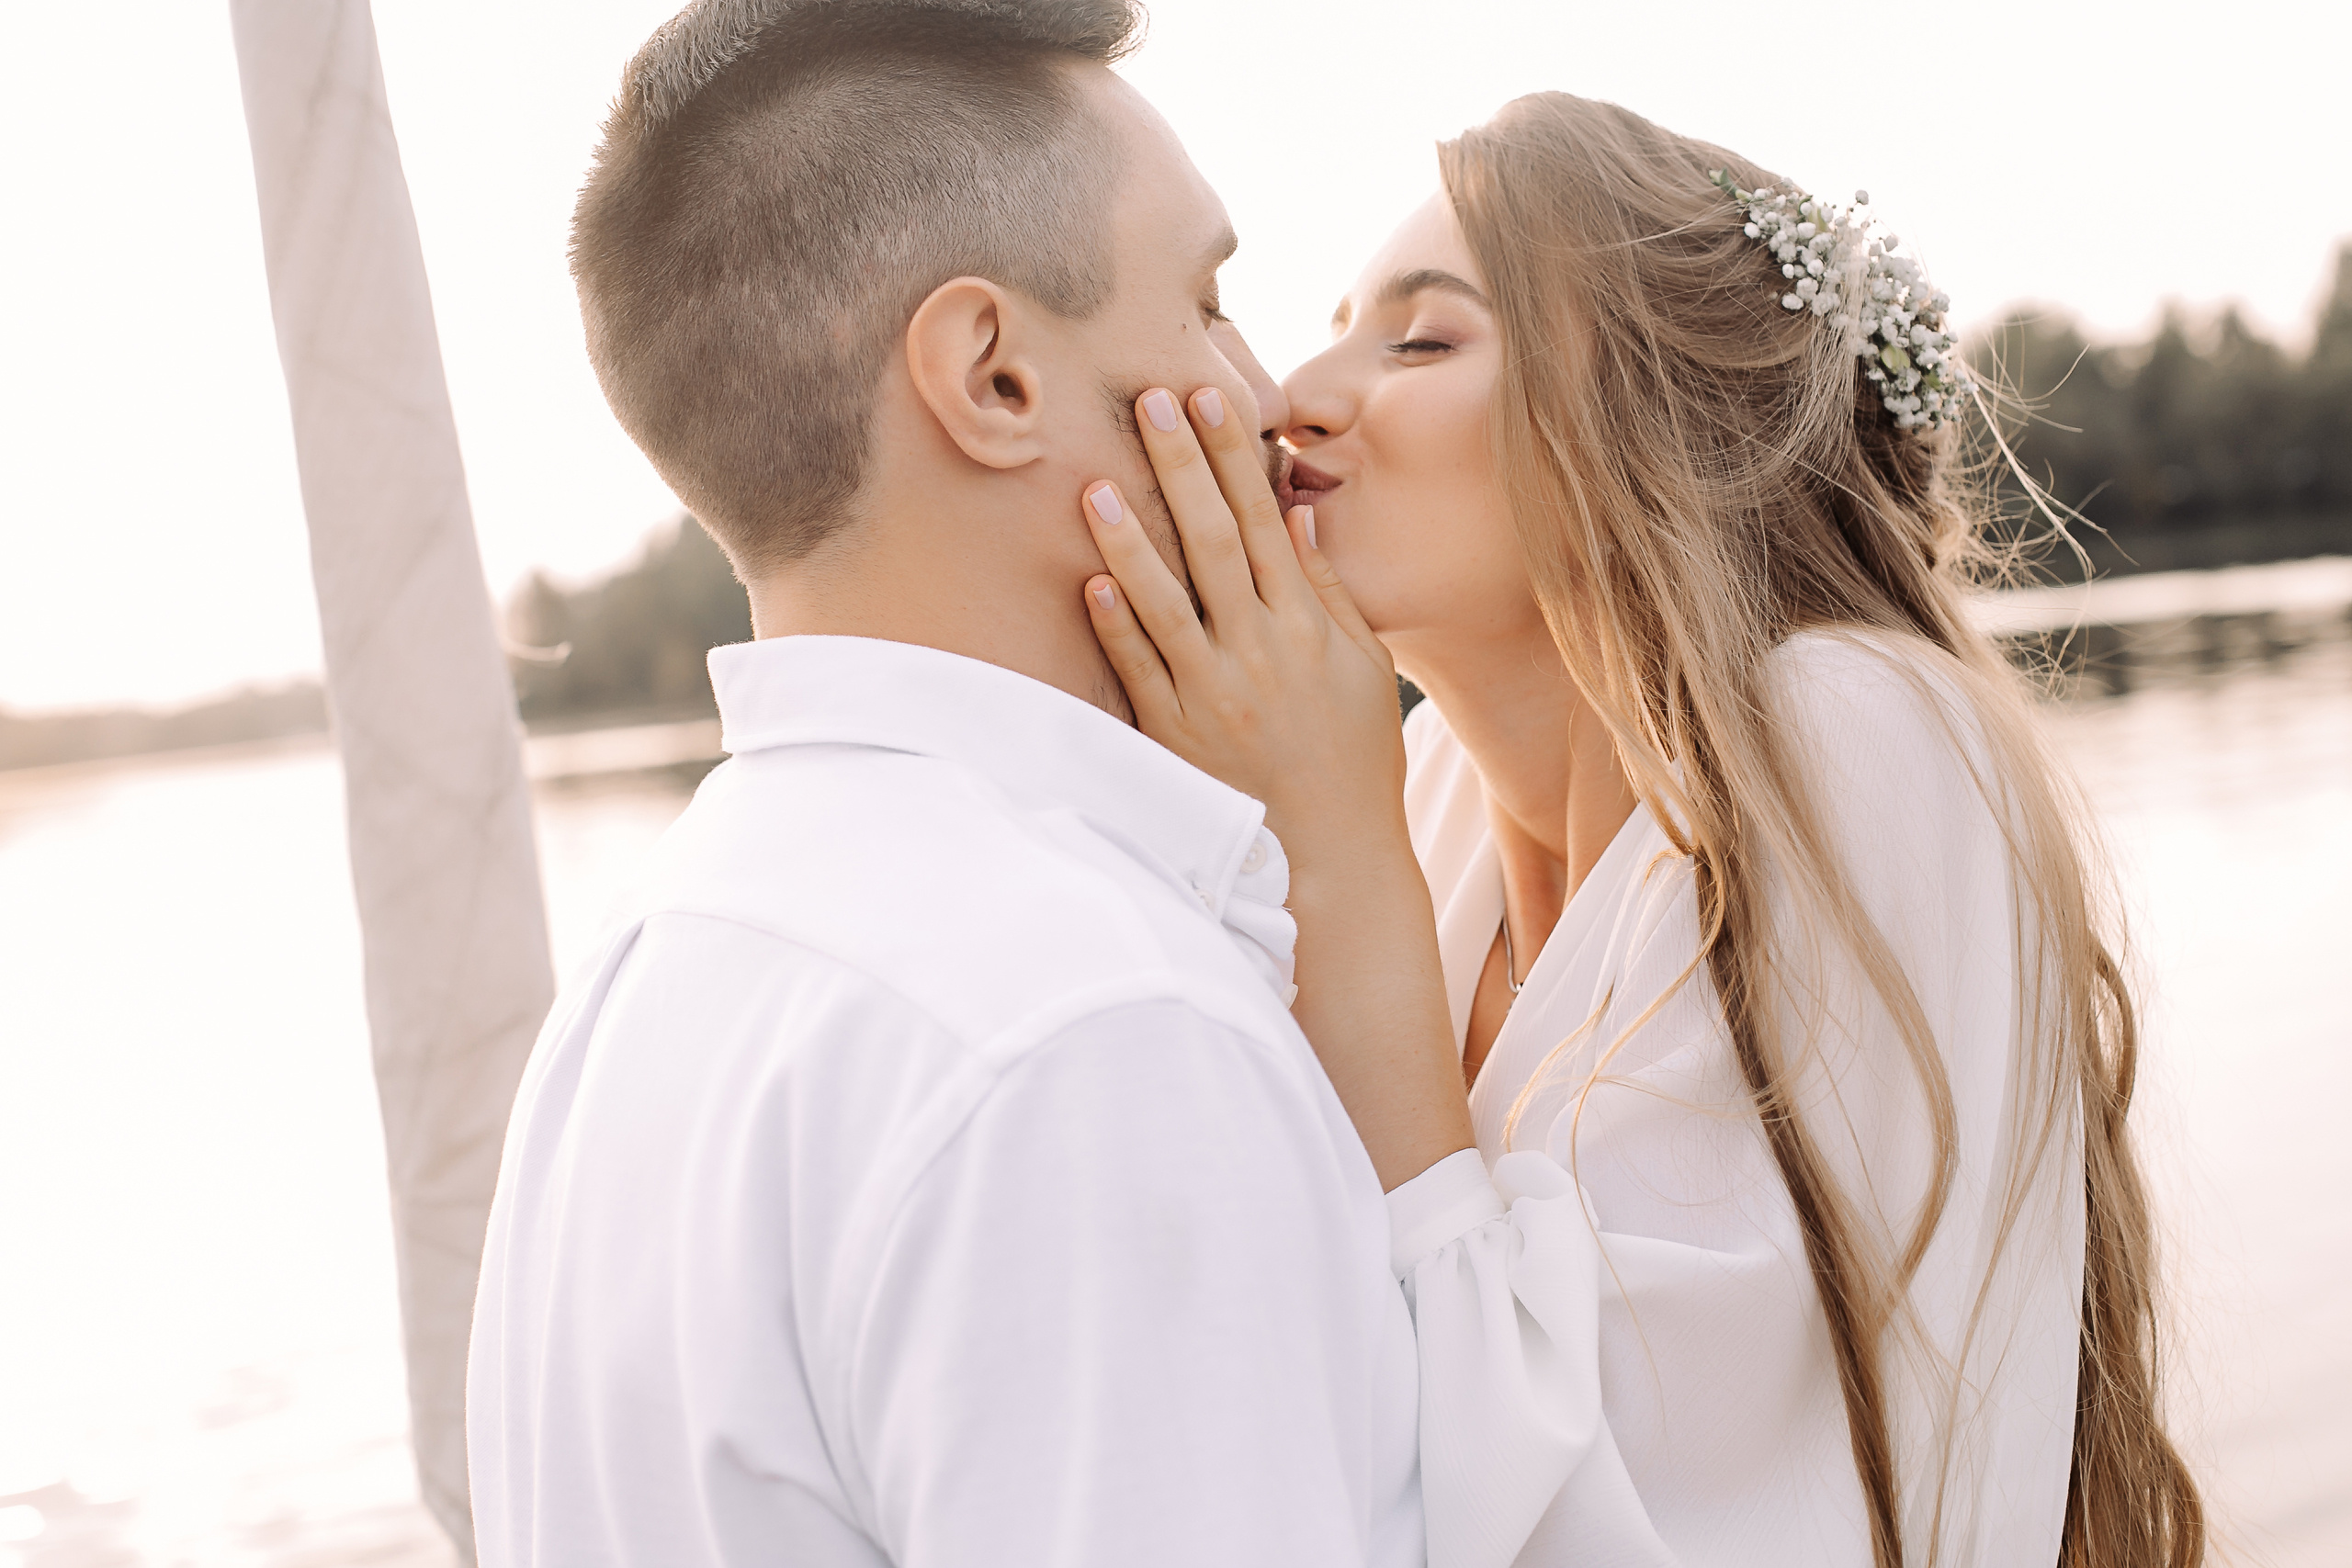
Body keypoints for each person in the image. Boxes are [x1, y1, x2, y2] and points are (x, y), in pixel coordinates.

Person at [1076, 94, 2202, 1568]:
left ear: (1646, 422)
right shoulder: (1421, 803)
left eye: (1421, 341)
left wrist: (1332, 862)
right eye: (1337, 325)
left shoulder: (1857, 731)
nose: (1294, 393)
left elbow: (1662, 1500)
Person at [464, 3, 1427, 1563]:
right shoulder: (1095, 1033)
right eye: (1209, 301)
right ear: (990, 378)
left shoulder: (647, 974)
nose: (1270, 400)